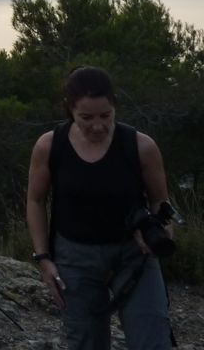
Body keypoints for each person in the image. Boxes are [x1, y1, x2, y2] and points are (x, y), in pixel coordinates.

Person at [26, 65, 173, 350]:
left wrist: (160, 230)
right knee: (86, 342)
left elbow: (160, 201)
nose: (97, 126)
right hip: (74, 256)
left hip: (134, 255)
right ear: (70, 109)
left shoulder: (141, 146)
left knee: (153, 340)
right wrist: (43, 258)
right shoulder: (50, 146)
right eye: (86, 117)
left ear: (115, 106)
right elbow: (35, 200)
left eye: (105, 116)